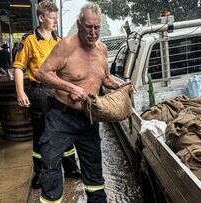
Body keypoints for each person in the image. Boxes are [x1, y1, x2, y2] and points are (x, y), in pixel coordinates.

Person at [35, 3, 129, 203]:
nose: (93, 32)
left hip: (88, 118)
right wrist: (71, 87)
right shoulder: (66, 46)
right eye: (88, 27)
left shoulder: (102, 49)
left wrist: (121, 86)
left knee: (94, 171)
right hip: (61, 116)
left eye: (96, 27)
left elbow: (104, 78)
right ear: (79, 24)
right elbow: (42, 73)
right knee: (50, 164)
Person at [12, 0, 80, 189]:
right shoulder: (29, 40)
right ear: (41, 18)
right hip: (39, 92)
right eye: (52, 18)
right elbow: (18, 68)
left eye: (56, 17)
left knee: (65, 130)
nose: (55, 21)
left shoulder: (59, 41)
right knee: (42, 134)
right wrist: (20, 92)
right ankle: (40, 174)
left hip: (59, 91)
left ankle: (71, 168)